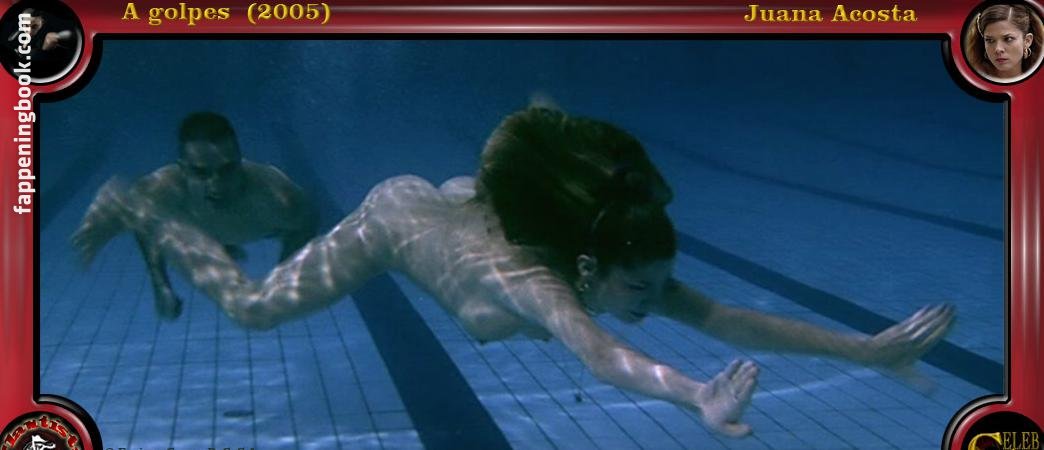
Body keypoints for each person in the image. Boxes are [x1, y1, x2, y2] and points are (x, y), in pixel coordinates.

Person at [81, 107, 955, 437]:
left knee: (486, 190)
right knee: (252, 307)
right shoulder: (544, 289)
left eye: (657, 287)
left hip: (461, 209)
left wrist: (867, 348)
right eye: (638, 291)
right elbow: (601, 356)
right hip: (398, 220)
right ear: (591, 269)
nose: (650, 306)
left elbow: (726, 317)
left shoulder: (608, 262)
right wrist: (697, 396)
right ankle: (145, 212)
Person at [72, 112, 319, 320]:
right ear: (182, 168)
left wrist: (281, 278)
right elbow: (144, 225)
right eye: (201, 173)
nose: (216, 185)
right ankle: (221, 247)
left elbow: (307, 221)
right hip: (203, 229)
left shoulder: (277, 196)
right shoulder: (159, 190)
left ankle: (224, 246)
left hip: (264, 230)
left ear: (240, 161)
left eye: (227, 169)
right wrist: (160, 284)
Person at [965, 4, 1044, 81]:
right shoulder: (970, 79)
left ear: (1027, 41)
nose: (998, 49)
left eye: (1008, 39)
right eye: (990, 40)